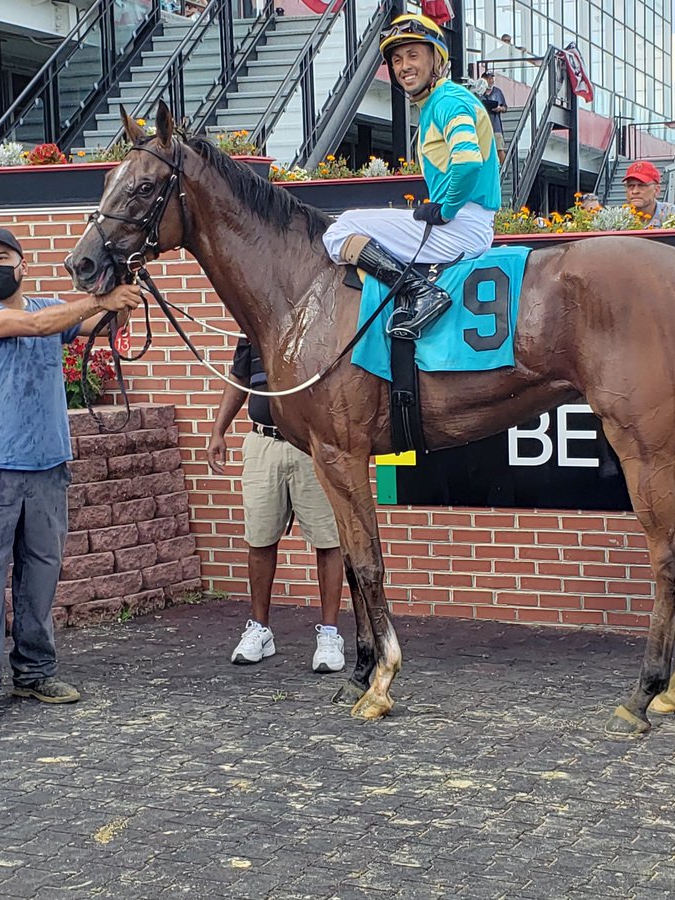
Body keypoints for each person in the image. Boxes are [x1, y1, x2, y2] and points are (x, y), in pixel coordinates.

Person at [0, 226, 143, 724]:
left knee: (40, 577)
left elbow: (102, 324)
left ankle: (35, 671)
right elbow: (41, 326)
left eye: (2, 255)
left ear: (22, 263)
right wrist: (97, 299)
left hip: (48, 466)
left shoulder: (49, 304)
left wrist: (122, 292)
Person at [322, 13, 501, 340]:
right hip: (468, 223)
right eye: (397, 59)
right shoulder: (437, 103)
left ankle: (421, 293)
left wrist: (444, 210)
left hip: (462, 226)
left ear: (437, 60)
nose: (404, 66)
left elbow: (468, 161)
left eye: (413, 55)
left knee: (341, 228)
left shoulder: (448, 101)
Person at [207, 337, 346, 672]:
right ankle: (259, 629)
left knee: (328, 540)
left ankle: (330, 635)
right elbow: (239, 377)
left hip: (311, 444)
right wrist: (218, 430)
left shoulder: (319, 313)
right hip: (262, 441)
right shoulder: (252, 322)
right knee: (260, 538)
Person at [621, 160, 675, 228]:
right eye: (630, 185)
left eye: (642, 185)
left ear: (656, 190)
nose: (635, 191)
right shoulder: (618, 219)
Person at [481, 71, 508, 166]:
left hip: (496, 125)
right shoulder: (479, 91)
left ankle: (503, 169)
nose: (491, 80)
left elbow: (505, 107)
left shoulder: (497, 92)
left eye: (492, 78)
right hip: (482, 126)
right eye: (489, 78)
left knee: (499, 148)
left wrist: (499, 108)